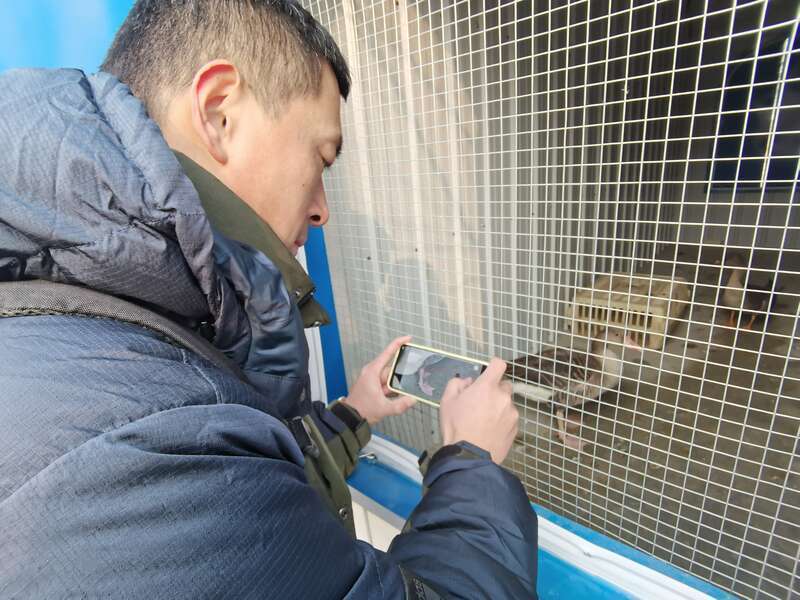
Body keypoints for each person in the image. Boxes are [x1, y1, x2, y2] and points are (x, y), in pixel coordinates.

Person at [0, 1, 538, 598]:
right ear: (219, 113)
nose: (322, 210)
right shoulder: (153, 447)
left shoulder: (79, 327)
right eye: (321, 157)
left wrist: (354, 414)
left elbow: (252, 472)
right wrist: (470, 461)